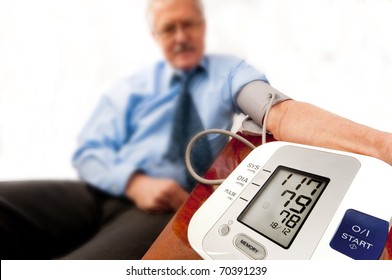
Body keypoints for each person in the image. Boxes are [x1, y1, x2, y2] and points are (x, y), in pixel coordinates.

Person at [0, 0, 391, 260]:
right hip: (100, 190)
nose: (180, 35)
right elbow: (90, 153)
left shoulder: (229, 73)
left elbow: (283, 115)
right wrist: (133, 182)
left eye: (188, 24)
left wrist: (381, 146)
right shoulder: (131, 88)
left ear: (202, 27)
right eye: (169, 28)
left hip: (172, 202)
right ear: (157, 36)